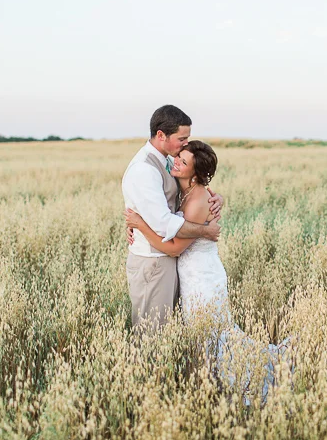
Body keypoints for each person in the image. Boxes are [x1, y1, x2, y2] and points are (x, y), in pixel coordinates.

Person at [125, 140, 290, 402]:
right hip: (191, 275)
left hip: (202, 277)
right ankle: (212, 381)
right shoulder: (189, 188)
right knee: (205, 332)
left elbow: (175, 249)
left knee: (212, 333)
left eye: (183, 161)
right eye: (178, 156)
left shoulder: (199, 199)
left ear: (196, 174)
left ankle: (236, 382)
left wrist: (140, 225)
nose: (175, 162)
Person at [121, 105, 223, 331]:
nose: (186, 144)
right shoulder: (144, 169)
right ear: (161, 135)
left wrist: (217, 199)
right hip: (153, 260)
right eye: (182, 138)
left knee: (166, 330)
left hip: (174, 262)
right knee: (151, 332)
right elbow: (164, 223)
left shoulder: (167, 159)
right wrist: (205, 231)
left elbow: (191, 188)